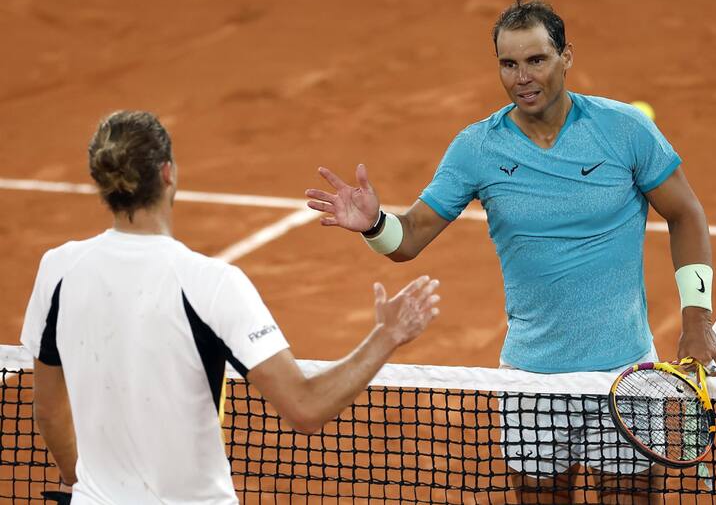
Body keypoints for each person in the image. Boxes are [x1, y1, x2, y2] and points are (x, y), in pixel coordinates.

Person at [305, 0, 716, 504]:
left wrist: (696, 320)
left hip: (626, 374)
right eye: (509, 63)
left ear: (566, 56)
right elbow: (409, 237)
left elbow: (687, 213)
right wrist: (374, 223)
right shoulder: (477, 148)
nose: (522, 77)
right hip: (530, 379)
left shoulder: (625, 130)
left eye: (536, 60)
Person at [21, 111, 441, 505]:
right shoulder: (211, 284)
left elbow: (49, 410)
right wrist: (387, 336)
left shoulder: (57, 269)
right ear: (168, 173)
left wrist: (90, 487)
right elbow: (305, 409)